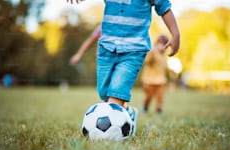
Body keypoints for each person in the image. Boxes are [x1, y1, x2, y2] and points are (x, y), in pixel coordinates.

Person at [67, 0, 180, 135]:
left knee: (116, 93)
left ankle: (110, 135)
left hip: (134, 51)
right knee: (104, 92)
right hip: (106, 49)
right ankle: (128, 112)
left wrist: (175, 33)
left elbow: (164, 7)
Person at [141, 35, 170, 114]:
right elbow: (147, 62)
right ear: (156, 44)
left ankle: (158, 109)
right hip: (149, 80)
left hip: (160, 80)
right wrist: (151, 53)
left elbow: (165, 67)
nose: (162, 46)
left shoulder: (164, 56)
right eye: (160, 43)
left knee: (160, 96)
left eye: (164, 44)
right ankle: (145, 107)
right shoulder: (153, 52)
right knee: (148, 96)